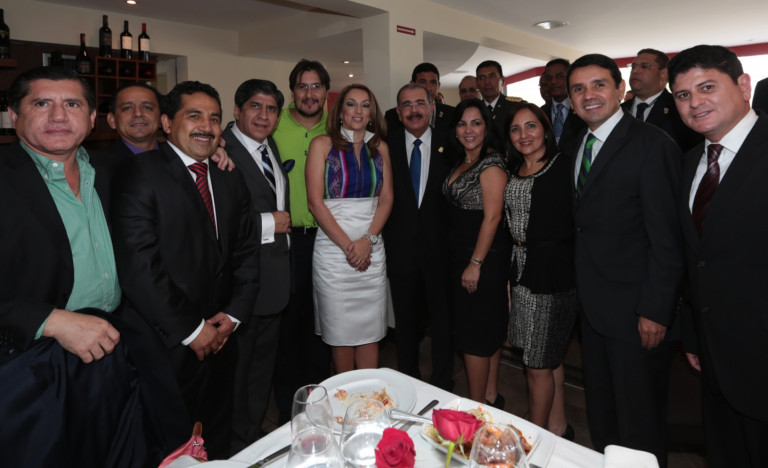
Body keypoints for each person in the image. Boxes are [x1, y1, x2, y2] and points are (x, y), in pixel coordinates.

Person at [0, 66, 187, 467]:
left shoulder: (113, 171)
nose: (58, 115)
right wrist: (49, 320)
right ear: (14, 115)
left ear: (91, 118)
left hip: (113, 351)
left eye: (71, 104)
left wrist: (217, 154)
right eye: (41, 103)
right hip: (28, 366)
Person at [111, 81, 261, 459]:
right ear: (167, 122)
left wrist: (234, 315)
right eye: (194, 116)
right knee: (170, 447)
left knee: (217, 438)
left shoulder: (229, 175)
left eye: (214, 118)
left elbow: (246, 251)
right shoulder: (138, 172)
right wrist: (193, 330)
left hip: (223, 338)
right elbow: (140, 265)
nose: (206, 126)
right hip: (167, 346)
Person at [565, 54, 684, 467]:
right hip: (593, 309)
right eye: (578, 89)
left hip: (636, 314)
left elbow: (667, 239)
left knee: (639, 421)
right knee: (604, 413)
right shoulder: (578, 144)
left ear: (620, 89)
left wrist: (655, 309)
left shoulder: (652, 145)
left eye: (598, 85)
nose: (588, 95)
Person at [668, 44, 768, 467]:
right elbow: (697, 260)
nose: (695, 102)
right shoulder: (691, 161)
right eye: (683, 95)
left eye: (707, 87)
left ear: (743, 85)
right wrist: (694, 335)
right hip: (714, 356)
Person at [222, 79, 290, 452]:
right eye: (255, 107)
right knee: (237, 372)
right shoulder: (219, 150)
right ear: (237, 110)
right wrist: (268, 223)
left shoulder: (268, 145)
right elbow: (213, 218)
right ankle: (234, 446)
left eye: (271, 109)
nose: (263, 116)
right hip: (240, 285)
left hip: (273, 281)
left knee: (260, 370)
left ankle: (250, 438)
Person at [503, 102, 578, 440]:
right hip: (522, 270)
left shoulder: (564, 167)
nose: (524, 134)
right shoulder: (515, 168)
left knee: (537, 364)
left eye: (530, 126)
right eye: (515, 129)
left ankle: (531, 442)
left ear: (545, 129)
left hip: (553, 276)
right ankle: (557, 426)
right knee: (549, 358)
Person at [305, 84, 393, 373]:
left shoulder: (380, 148)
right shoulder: (321, 145)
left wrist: (367, 241)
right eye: (351, 104)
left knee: (370, 330)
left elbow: (387, 199)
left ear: (372, 113)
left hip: (372, 246)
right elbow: (315, 203)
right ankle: (345, 396)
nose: (358, 110)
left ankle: (369, 395)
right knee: (340, 333)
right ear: (340, 111)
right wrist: (349, 247)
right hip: (333, 252)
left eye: (365, 105)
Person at [271, 59, 332, 425]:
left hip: (328, 240)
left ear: (326, 91)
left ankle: (321, 400)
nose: (309, 94)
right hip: (287, 241)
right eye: (302, 86)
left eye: (316, 86)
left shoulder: (337, 127)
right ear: (292, 91)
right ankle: (288, 409)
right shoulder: (274, 124)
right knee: (288, 322)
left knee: (322, 320)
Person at [383, 83, 454, 391]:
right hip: (400, 251)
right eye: (406, 105)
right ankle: (408, 383)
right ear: (398, 113)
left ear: (431, 108)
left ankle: (442, 384)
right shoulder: (385, 146)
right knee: (406, 325)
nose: (414, 110)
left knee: (443, 324)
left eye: (419, 103)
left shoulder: (451, 143)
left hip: (441, 252)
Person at [443, 99, 509, 408]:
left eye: (476, 123)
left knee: (474, 335)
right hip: (464, 254)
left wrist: (475, 263)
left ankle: (476, 406)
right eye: (462, 123)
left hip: (481, 257)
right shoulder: (464, 159)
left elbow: (493, 217)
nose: (468, 130)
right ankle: (490, 397)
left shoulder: (491, 163)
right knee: (486, 331)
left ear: (487, 127)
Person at [621, 48, 701, 152]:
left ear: (663, 74)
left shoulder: (680, 107)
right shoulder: (619, 110)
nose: (635, 71)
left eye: (644, 66)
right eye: (633, 66)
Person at [385, 62, 455, 135]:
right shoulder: (392, 115)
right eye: (423, 82)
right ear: (412, 84)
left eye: (433, 82)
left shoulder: (452, 113)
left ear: (438, 85)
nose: (428, 88)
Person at [540, 59, 586, 149]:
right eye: (549, 78)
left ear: (570, 78)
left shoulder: (584, 108)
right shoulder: (541, 113)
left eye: (560, 76)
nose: (553, 81)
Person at [476, 60, 520, 144]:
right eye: (482, 78)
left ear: (502, 81)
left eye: (492, 76)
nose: (487, 82)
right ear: (477, 83)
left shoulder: (516, 107)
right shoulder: (475, 109)